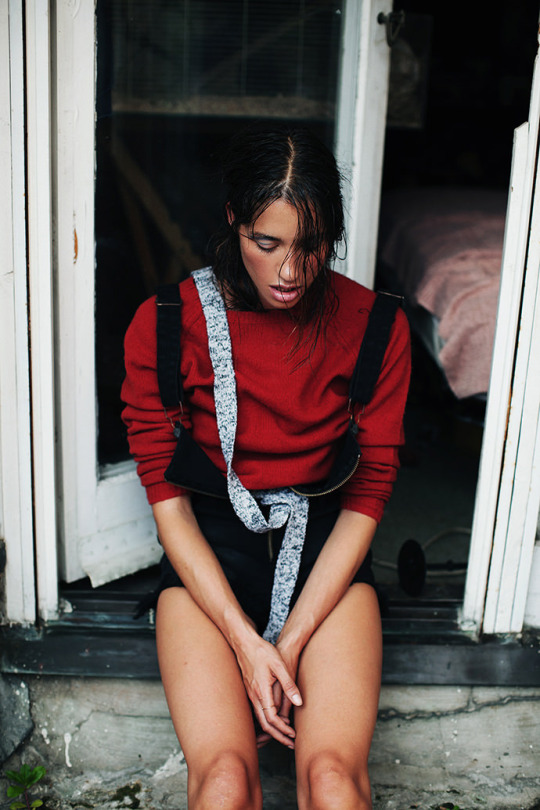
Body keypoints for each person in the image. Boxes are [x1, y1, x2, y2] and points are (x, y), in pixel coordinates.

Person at [121, 124, 410, 810]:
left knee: (333, 781)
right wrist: (248, 646)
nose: (289, 272)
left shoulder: (375, 326)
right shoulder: (165, 324)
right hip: (211, 561)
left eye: (311, 246)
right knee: (224, 780)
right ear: (234, 220)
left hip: (325, 560)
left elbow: (368, 493)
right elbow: (169, 506)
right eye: (267, 243)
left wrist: (292, 639)